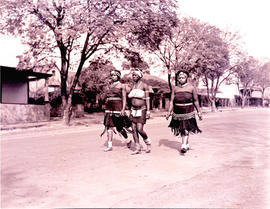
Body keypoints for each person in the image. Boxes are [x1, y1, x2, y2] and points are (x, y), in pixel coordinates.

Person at [166, 69, 202, 153]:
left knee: (185, 128)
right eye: (179, 77)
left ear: (186, 78)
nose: (181, 79)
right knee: (182, 128)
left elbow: (196, 101)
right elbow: (172, 101)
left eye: (183, 77)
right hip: (178, 111)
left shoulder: (191, 88)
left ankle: (183, 145)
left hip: (188, 110)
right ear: (177, 79)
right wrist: (169, 111)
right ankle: (186, 143)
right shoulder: (175, 88)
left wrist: (199, 112)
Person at [102, 70, 132, 152]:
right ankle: (109, 146)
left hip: (118, 106)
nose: (113, 77)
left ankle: (128, 140)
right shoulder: (109, 86)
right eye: (112, 75)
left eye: (114, 75)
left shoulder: (122, 86)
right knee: (109, 126)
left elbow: (124, 98)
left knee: (119, 127)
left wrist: (123, 109)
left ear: (118, 76)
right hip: (109, 107)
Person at [128, 69, 151, 154]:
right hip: (133, 110)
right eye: (132, 75)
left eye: (135, 75)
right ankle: (137, 147)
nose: (133, 77)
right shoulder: (132, 86)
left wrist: (148, 111)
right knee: (133, 129)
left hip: (142, 109)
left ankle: (148, 143)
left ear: (139, 76)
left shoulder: (144, 85)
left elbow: (147, 99)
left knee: (140, 129)